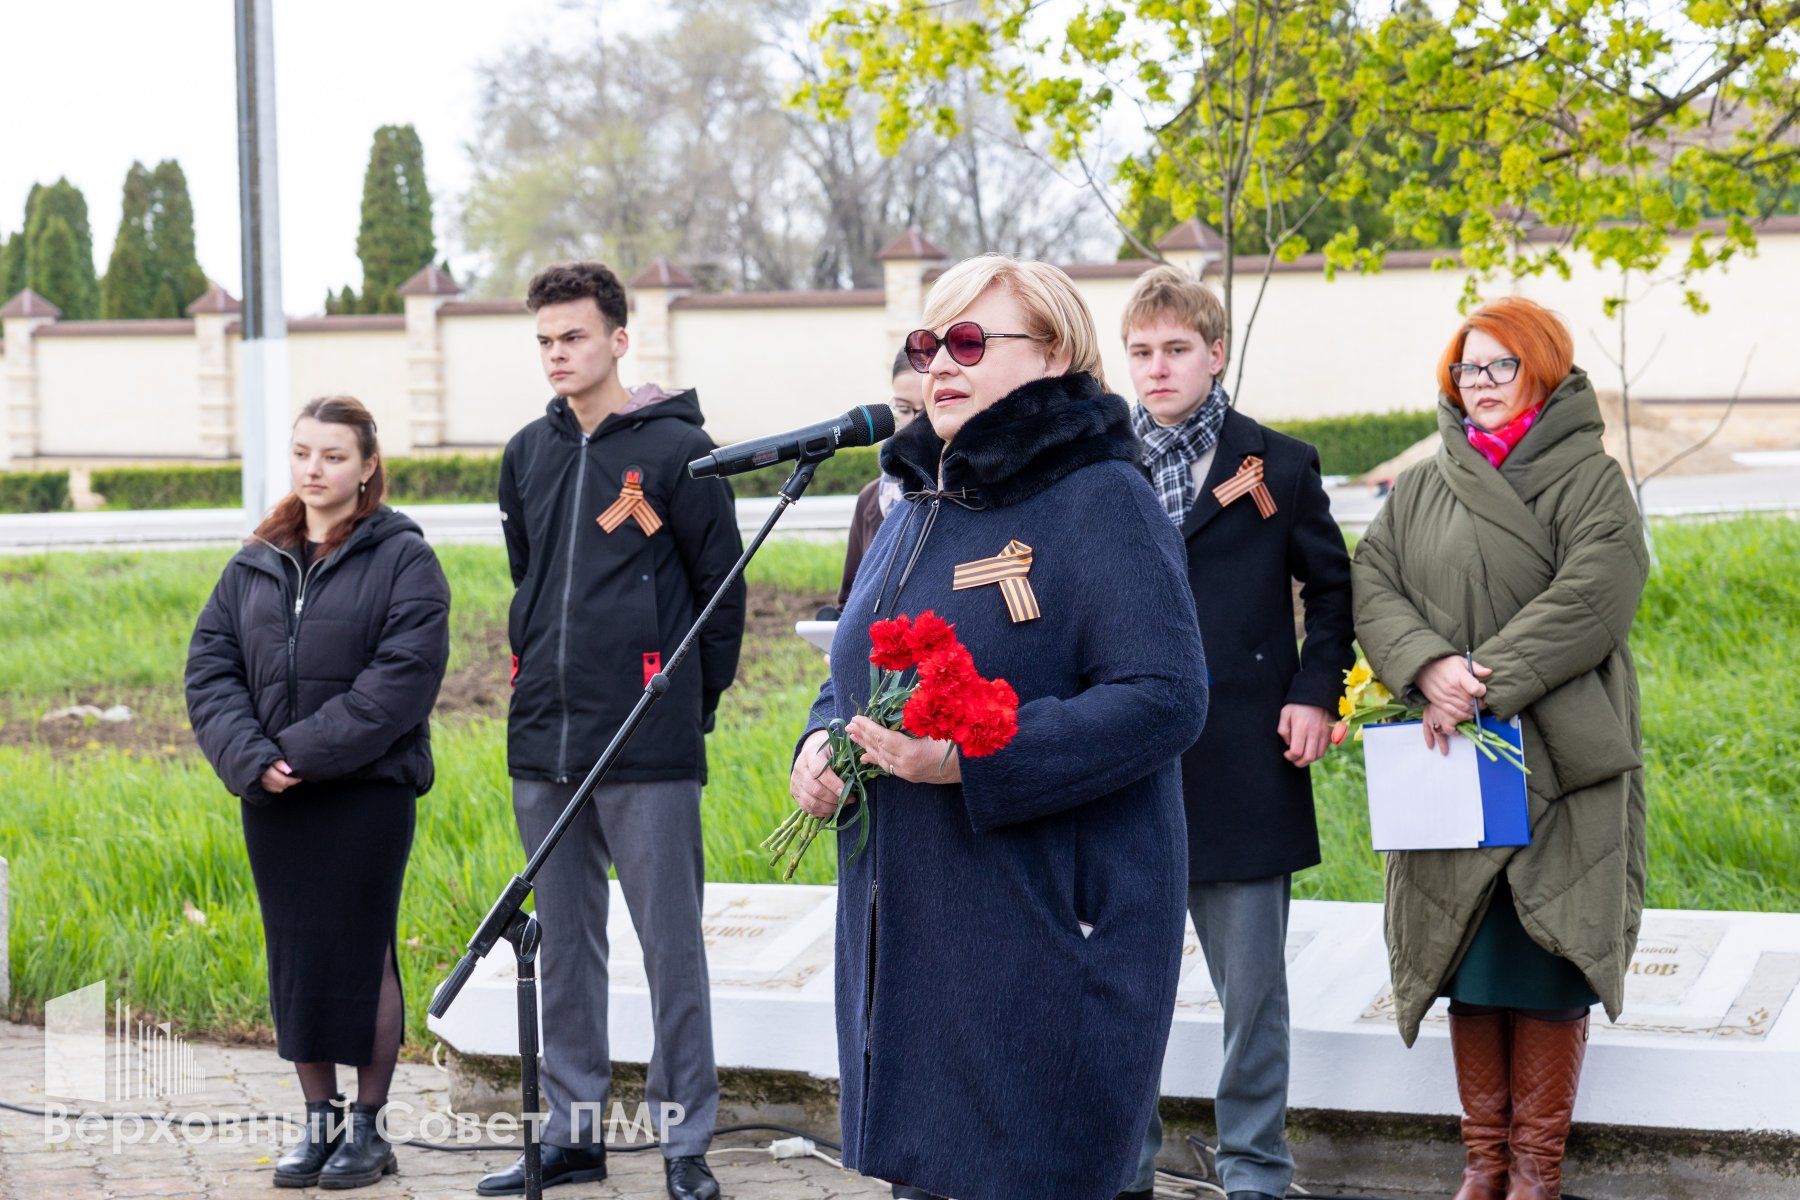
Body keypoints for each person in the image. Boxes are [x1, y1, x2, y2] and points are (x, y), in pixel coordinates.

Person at [788, 254, 1209, 1200]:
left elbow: (1166, 695)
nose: (940, 362)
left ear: (1054, 353)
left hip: (1039, 938)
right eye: (927, 343)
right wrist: (820, 743)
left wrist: (973, 760)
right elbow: (855, 669)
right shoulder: (918, 503)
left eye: (971, 341)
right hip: (913, 938)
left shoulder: (1100, 496)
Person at [1351, 296, 1648, 1200]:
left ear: (1541, 369)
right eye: (1466, 367)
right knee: (1469, 960)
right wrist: (1425, 665)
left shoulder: (1592, 478)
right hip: (1454, 760)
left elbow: (1597, 594)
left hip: (1563, 757)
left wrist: (1477, 681)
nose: (1479, 383)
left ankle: (1534, 1176)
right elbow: (1373, 581)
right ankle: (1483, 1166)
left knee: (1552, 958)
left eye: (1499, 366)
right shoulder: (1424, 483)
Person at [479, 262, 746, 1200]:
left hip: (647, 738)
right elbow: (529, 576)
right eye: (545, 341)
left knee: (671, 948)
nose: (558, 354)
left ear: (619, 340)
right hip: (546, 738)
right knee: (565, 944)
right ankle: (572, 1135)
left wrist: (686, 708)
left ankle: (684, 1142)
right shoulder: (526, 452)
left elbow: (721, 594)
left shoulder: (679, 451)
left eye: (575, 337)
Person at [1119, 266, 1355, 1200]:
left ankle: (1255, 1166)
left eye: (1177, 349)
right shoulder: (1097, 469)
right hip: (1124, 762)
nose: (1158, 367)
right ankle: (1122, 1164)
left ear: (1215, 354)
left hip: (1246, 758)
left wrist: (1316, 692)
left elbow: (1333, 591)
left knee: (1253, 992)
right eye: (1141, 351)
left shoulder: (1280, 464)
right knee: (1122, 986)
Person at [185, 395, 451, 1190]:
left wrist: (295, 755)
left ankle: (368, 1130)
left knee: (363, 950)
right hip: (274, 797)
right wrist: (253, 759)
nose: (315, 468)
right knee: (295, 952)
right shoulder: (255, 560)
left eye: (334, 455)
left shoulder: (405, 559)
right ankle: (318, 1122)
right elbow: (210, 668)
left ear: (367, 467)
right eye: (303, 452)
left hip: (366, 793)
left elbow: (401, 681)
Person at [835, 349, 924, 610]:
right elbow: (848, 601)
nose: (914, 422)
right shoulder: (871, 499)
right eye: (904, 409)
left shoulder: (963, 494)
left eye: (928, 409)